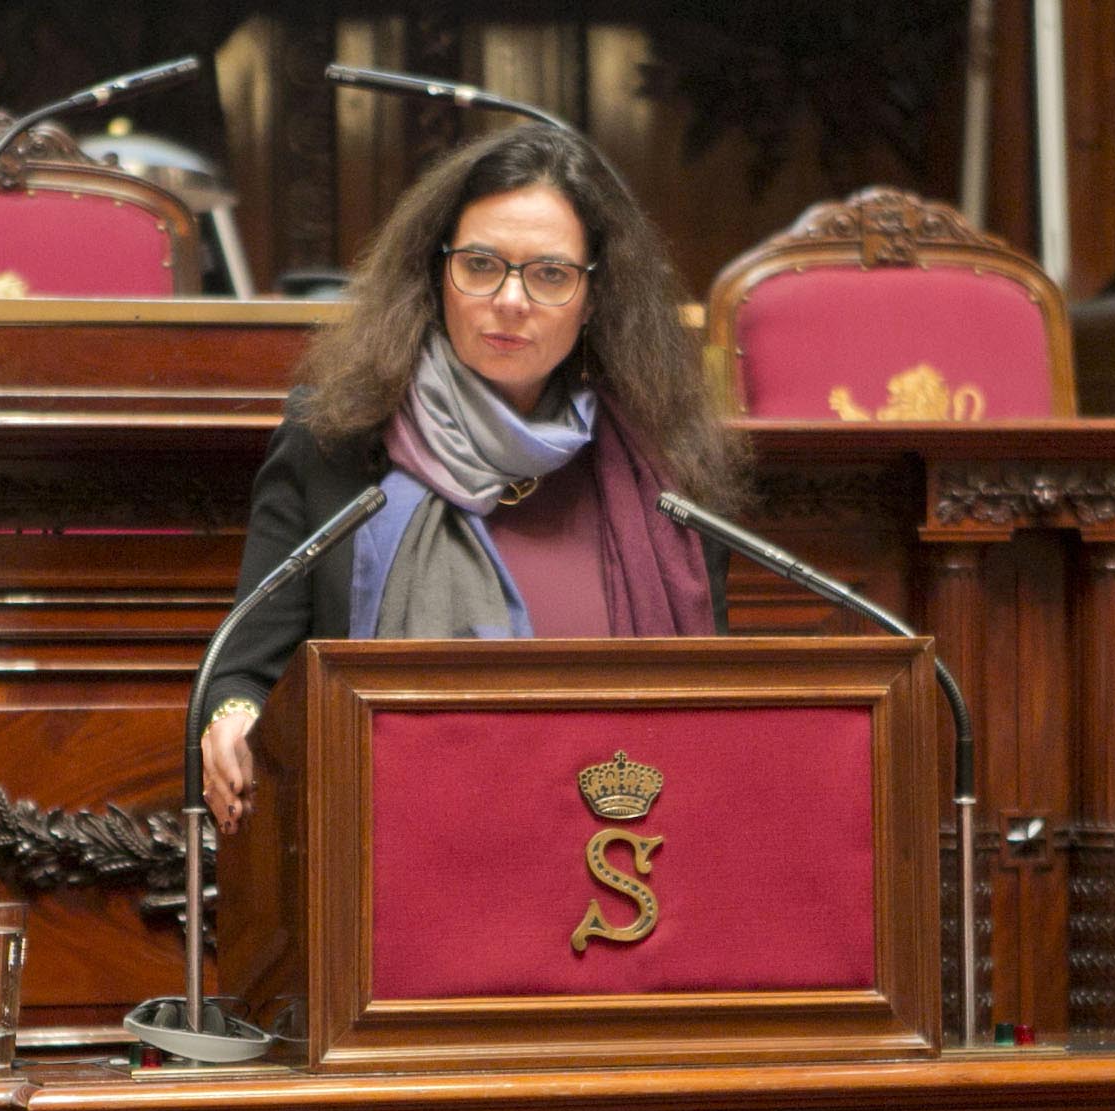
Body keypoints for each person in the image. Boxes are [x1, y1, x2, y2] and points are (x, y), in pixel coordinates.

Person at [200, 121, 748, 832]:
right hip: (383, 874)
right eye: (482, 264)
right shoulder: (338, 440)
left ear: (594, 296)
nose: (512, 300)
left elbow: (721, 718)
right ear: (437, 272)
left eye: (550, 274)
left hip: (614, 875)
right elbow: (242, 668)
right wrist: (234, 718)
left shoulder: (662, 472)